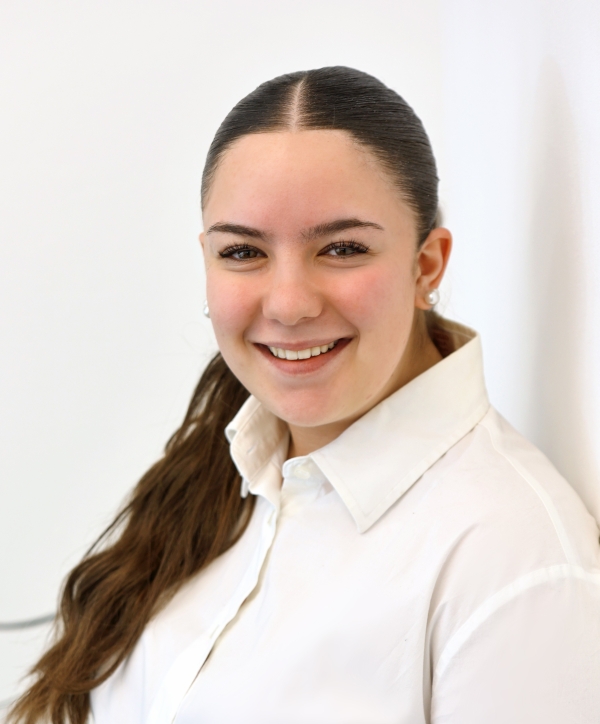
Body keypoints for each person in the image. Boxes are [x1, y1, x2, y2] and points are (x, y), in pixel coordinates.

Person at [9, 66, 600, 724]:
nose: (288, 304)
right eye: (243, 253)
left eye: (342, 248)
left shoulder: (511, 563)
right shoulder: (226, 475)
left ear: (426, 264)